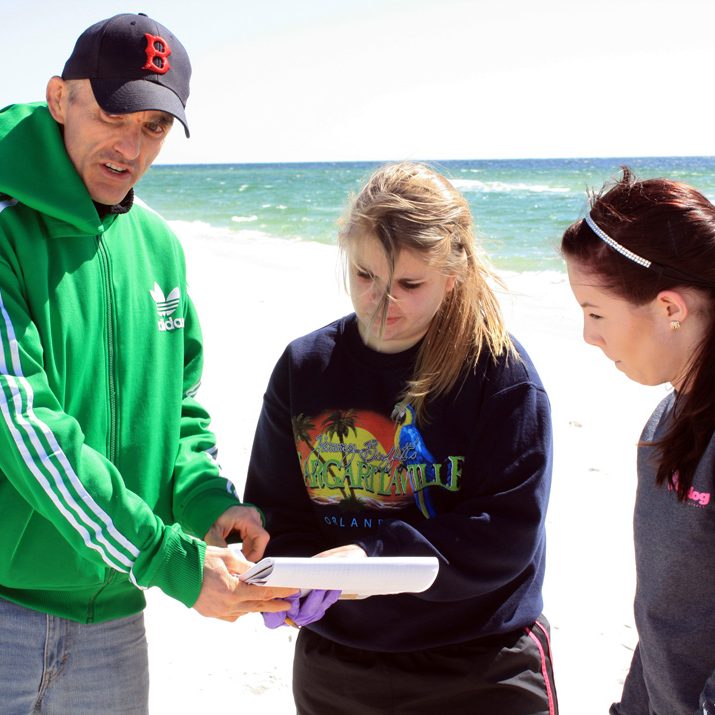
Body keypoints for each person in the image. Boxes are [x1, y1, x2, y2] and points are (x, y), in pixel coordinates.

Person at [0, 13, 293, 714]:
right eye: (112, 115)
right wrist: (173, 561)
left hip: (116, 619)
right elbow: (27, 430)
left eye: (154, 129)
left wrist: (209, 505)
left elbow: (179, 412)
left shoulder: (159, 246)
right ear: (58, 97)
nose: (130, 148)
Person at [244, 161, 559, 714]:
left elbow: (507, 534)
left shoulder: (499, 373)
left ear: (452, 274)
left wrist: (369, 560)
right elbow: (276, 510)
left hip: (479, 663)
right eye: (365, 275)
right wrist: (291, 576)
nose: (380, 301)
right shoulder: (305, 366)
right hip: (337, 664)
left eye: (410, 284)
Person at [561, 167, 715, 715]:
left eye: (595, 312)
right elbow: (662, 618)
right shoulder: (664, 425)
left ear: (670, 309)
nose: (589, 335)